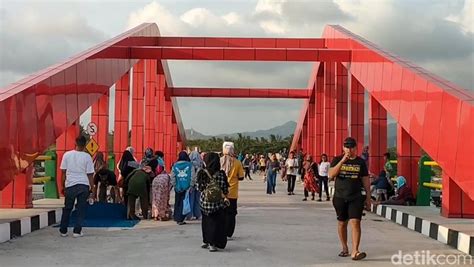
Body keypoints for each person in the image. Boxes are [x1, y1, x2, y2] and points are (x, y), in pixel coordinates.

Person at [329, 137, 371, 261]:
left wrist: (368, 198)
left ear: (355, 148)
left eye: (352, 147)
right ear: (343, 148)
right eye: (347, 147)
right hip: (340, 196)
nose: (349, 149)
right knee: (342, 223)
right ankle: (345, 247)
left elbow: (365, 180)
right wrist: (343, 160)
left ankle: (355, 251)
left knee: (355, 222)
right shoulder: (337, 159)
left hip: (356, 196)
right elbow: (331, 175)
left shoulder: (360, 162)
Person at [59, 135, 94, 238]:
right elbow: (90, 175)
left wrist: (62, 186)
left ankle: (63, 230)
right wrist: (92, 188)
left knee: (67, 208)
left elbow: (63, 173)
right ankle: (77, 231)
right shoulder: (87, 157)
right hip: (83, 185)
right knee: (81, 209)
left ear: (75, 143)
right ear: (85, 145)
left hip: (70, 185)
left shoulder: (67, 155)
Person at [198, 152, 229, 252]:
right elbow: (225, 189)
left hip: (204, 203)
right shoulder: (221, 174)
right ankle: (213, 243)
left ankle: (205, 241)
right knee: (215, 223)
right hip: (217, 204)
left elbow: (199, 188)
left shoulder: (202, 173)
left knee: (205, 222)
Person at [220, 142, 244, 239]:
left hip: (221, 192)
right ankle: (229, 233)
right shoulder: (237, 162)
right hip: (232, 192)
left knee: (221, 213)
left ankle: (221, 231)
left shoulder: (219, 161)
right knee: (231, 213)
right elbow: (241, 177)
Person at [170, 151, 195, 225]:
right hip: (186, 187)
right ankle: (180, 219)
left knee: (177, 202)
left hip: (178, 187)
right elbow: (193, 176)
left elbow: (172, 177)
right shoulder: (190, 165)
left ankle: (177, 217)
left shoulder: (175, 165)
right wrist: (191, 185)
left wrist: (175, 185)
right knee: (184, 203)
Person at [187, 150, 203, 220]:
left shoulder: (189, 164)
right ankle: (198, 214)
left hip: (191, 184)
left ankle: (189, 215)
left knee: (190, 199)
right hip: (199, 184)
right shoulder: (201, 163)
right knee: (197, 199)